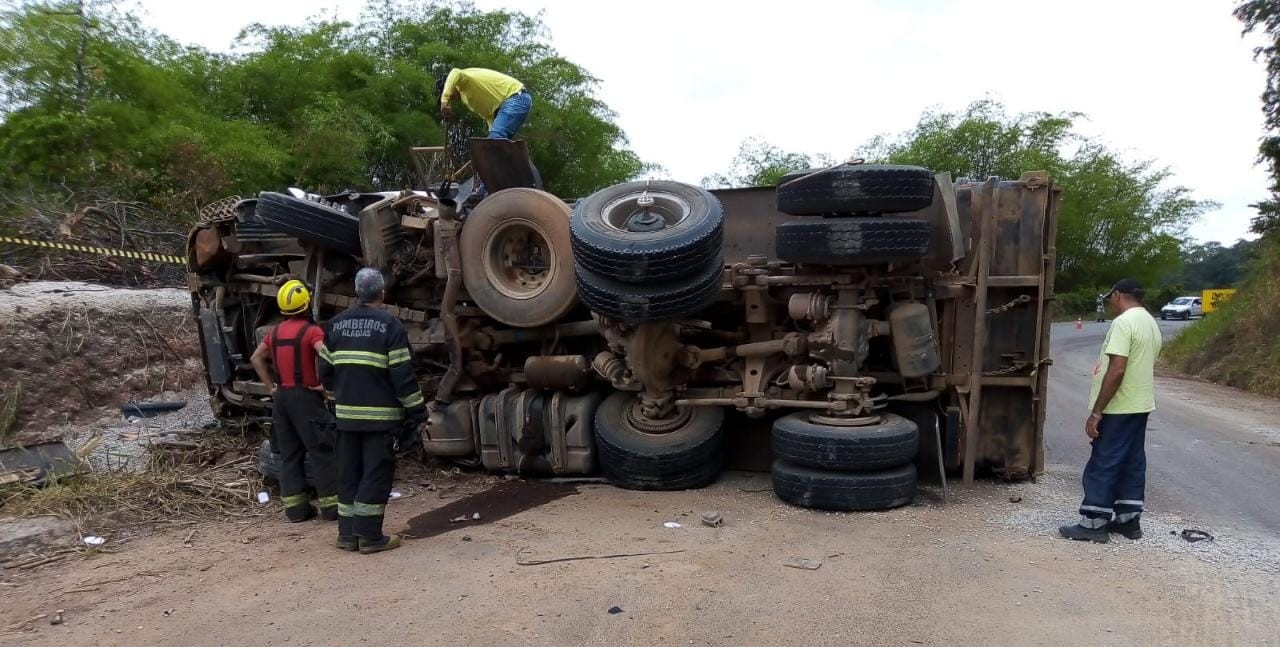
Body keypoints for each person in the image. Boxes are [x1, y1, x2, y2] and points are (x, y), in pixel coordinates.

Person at [318, 268, 426, 554]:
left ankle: (347, 535)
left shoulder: (336, 325)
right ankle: (368, 537)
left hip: (345, 419)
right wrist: (418, 411)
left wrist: (335, 402)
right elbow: (402, 377)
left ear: (356, 291)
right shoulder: (390, 325)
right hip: (380, 420)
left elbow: (325, 371)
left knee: (348, 474)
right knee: (375, 474)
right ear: (381, 293)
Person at [1060, 278, 1162, 543]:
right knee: (1131, 460)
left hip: (1119, 405)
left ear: (1117, 295)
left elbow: (1117, 368)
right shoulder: (1149, 322)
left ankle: (1093, 521)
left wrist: (1097, 412)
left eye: (1110, 298)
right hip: (1140, 404)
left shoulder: (1123, 323)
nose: (1111, 303)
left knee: (1104, 460)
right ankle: (1129, 519)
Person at [249, 280, 339, 523]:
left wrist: (272, 388)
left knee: (289, 455)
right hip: (306, 398)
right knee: (322, 452)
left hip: (282, 400)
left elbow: (256, 358)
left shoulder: (274, 333)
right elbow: (328, 356)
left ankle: (296, 510)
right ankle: (331, 508)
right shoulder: (311, 331)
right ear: (306, 304)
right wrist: (325, 385)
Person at [437, 67, 533, 140]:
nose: (450, 99)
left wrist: (444, 100)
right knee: (497, 144)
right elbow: (489, 116)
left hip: (516, 97)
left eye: (450, 95)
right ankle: (519, 166)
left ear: (451, 86)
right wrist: (490, 135)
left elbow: (455, 71)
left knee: (495, 139)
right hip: (507, 105)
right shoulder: (466, 99)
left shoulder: (464, 80)